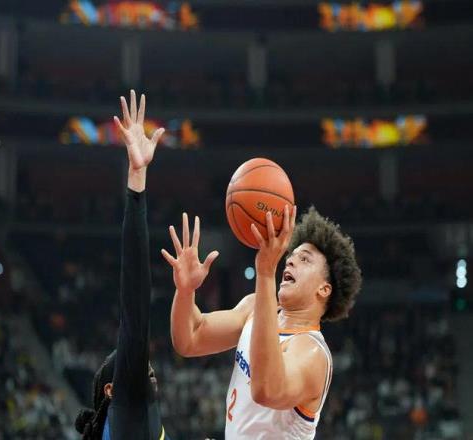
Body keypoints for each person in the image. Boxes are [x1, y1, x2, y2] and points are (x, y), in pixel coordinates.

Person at [162, 204, 362, 439]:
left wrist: (266, 272)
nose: (290, 261)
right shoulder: (255, 307)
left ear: (324, 289)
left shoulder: (312, 352)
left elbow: (266, 389)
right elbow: (189, 338)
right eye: (292, 255)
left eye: (305, 260)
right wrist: (185, 291)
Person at [75, 90, 168, 439]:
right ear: (113, 391)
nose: (148, 368)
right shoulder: (129, 412)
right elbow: (135, 299)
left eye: (138, 364)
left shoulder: (127, 420)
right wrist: (136, 182)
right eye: (141, 364)